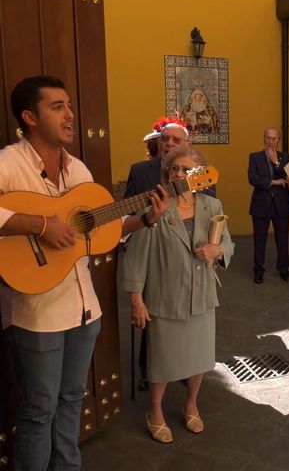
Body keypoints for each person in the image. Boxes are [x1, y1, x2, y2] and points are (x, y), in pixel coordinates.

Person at [0, 76, 167, 469]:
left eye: (69, 105)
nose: (70, 114)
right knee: (39, 410)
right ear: (30, 117)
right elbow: (43, 227)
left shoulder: (79, 171)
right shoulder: (9, 162)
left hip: (83, 310)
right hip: (36, 312)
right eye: (57, 106)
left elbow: (103, 229)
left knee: (72, 399)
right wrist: (40, 226)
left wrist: (143, 220)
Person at [121, 147, 234, 444]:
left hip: (202, 297)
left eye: (186, 169)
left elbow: (228, 244)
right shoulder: (155, 207)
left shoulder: (212, 204)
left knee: (198, 358)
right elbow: (136, 257)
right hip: (165, 296)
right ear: (166, 175)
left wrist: (217, 250)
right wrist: (136, 299)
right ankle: (155, 411)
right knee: (160, 360)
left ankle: (191, 404)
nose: (179, 174)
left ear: (199, 175)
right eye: (174, 169)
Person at [124, 117, 216, 392]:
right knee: (154, 323)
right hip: (151, 257)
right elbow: (129, 216)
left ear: (186, 144)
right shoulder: (140, 171)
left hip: (189, 261)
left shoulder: (199, 173)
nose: (170, 144)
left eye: (177, 140)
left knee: (190, 319)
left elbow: (210, 215)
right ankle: (148, 372)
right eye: (165, 139)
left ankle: (187, 369)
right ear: (157, 143)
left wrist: (214, 248)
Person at [248, 127, 289, 284]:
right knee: (259, 239)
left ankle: (284, 269)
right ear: (264, 139)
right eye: (268, 138)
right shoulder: (255, 157)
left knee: (282, 239)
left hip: (281, 204)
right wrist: (272, 182)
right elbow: (253, 178)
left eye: (275, 138)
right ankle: (258, 271)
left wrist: (276, 162)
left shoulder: (285, 157)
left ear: (279, 140)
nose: (271, 141)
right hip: (261, 204)